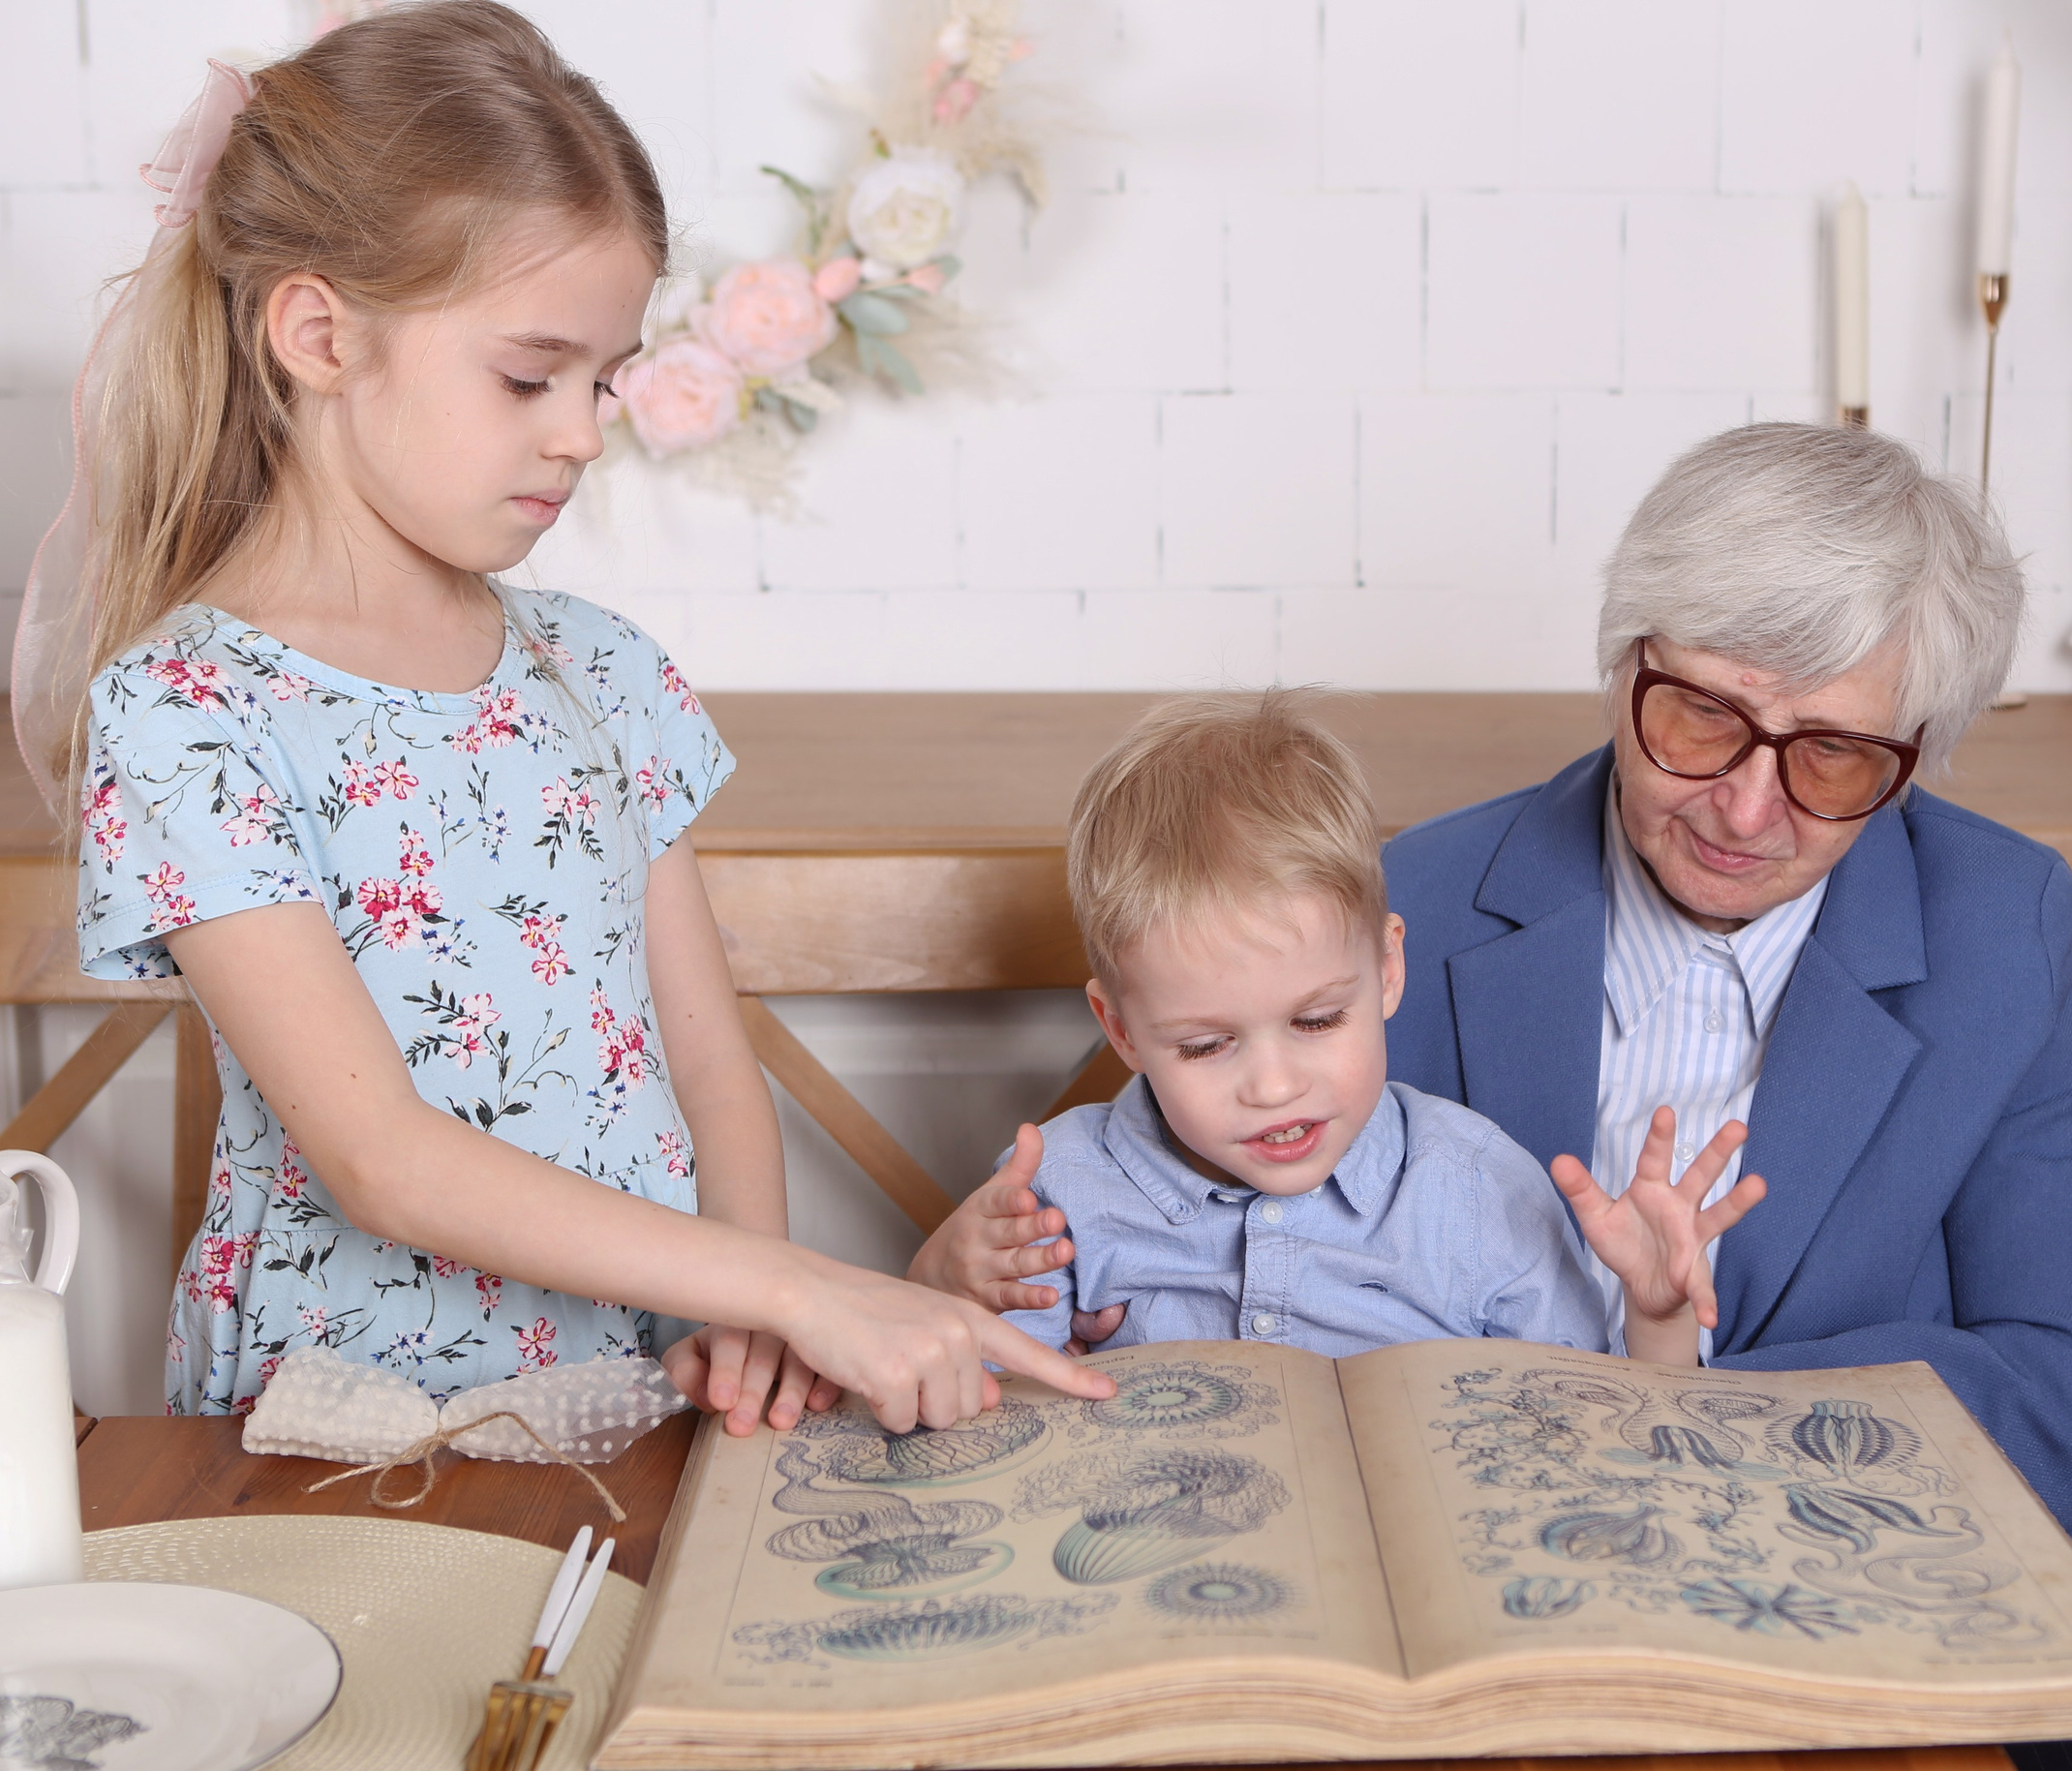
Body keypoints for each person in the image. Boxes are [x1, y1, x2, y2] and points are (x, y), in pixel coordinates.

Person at [39, 3, 1102, 1433]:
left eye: (605, 380)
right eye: (530, 374)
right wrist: (806, 1288)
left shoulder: (603, 673)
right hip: (345, 1433)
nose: (586, 431)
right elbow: (383, 1164)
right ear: (318, 334)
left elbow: (711, 1064)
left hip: (640, 1394)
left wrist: (748, 1307)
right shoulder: (189, 709)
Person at [1375, 424, 2072, 1771]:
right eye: (1703, 719)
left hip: (1945, 1579)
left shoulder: (1998, 923)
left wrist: (1670, 1404)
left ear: (1916, 753)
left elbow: (2067, 1382)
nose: (1746, 808)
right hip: (1518, 1615)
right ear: (1626, 667)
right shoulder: (1416, 903)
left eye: (1835, 757)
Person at [919, 690, 1761, 1365]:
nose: (1275, 1086)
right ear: (1122, 1029)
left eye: (1317, 1019)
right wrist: (956, 1294)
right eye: (1207, 1045)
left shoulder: (1477, 1190)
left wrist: (1659, 1318)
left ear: (1388, 971)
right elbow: (986, 1422)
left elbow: (1609, 1436)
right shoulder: (1059, 1196)